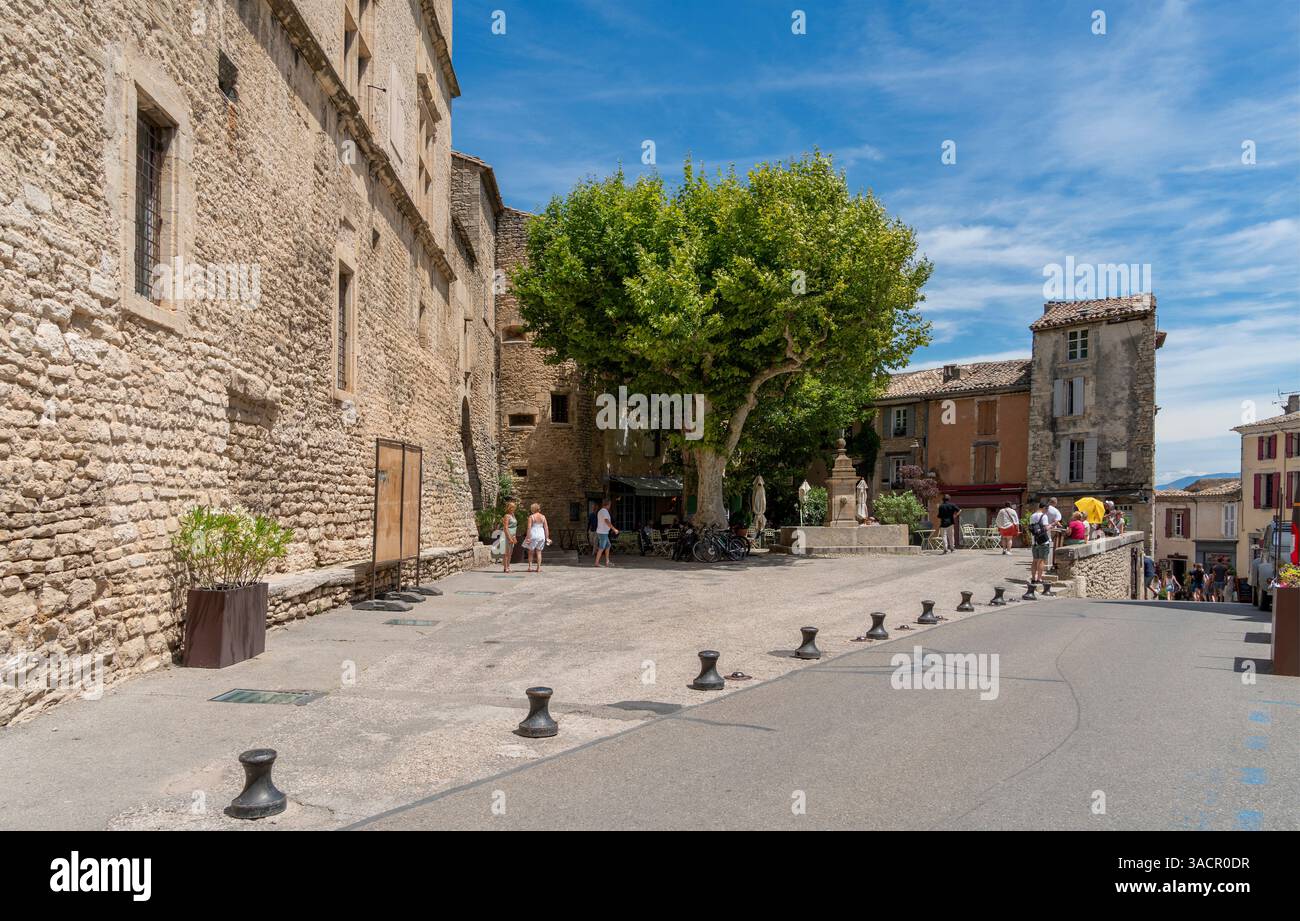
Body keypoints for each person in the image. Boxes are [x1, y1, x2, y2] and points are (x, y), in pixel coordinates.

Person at [1028, 501, 1052, 584]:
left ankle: (1033, 579)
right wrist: (1051, 525)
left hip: (1034, 541)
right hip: (1043, 541)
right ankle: (1039, 579)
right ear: (1044, 508)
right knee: (1041, 560)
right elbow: (1045, 528)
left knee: (1035, 560)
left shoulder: (1032, 516)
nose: (1047, 511)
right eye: (1047, 509)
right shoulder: (1044, 516)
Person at [524, 503, 550, 573]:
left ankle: (530, 567)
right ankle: (538, 568)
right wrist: (547, 537)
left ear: (533, 509)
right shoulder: (543, 517)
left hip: (533, 534)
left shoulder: (531, 517)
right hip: (541, 535)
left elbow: (529, 528)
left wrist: (528, 537)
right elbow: (546, 528)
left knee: (530, 552)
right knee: (539, 552)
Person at [594, 498, 618, 568]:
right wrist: (614, 529)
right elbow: (607, 521)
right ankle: (596, 563)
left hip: (603, 532)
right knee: (602, 547)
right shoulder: (604, 511)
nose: (610, 506)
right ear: (608, 504)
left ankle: (607, 562)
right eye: (610, 504)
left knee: (608, 545)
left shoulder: (601, 511)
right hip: (603, 532)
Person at [496, 501, 518, 573]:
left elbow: (514, 527)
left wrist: (514, 537)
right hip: (506, 536)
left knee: (510, 553)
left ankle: (508, 566)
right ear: (508, 508)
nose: (513, 508)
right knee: (506, 552)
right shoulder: (507, 516)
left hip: (512, 535)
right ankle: (505, 568)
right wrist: (509, 538)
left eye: (514, 507)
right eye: (511, 507)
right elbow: (505, 528)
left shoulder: (513, 515)